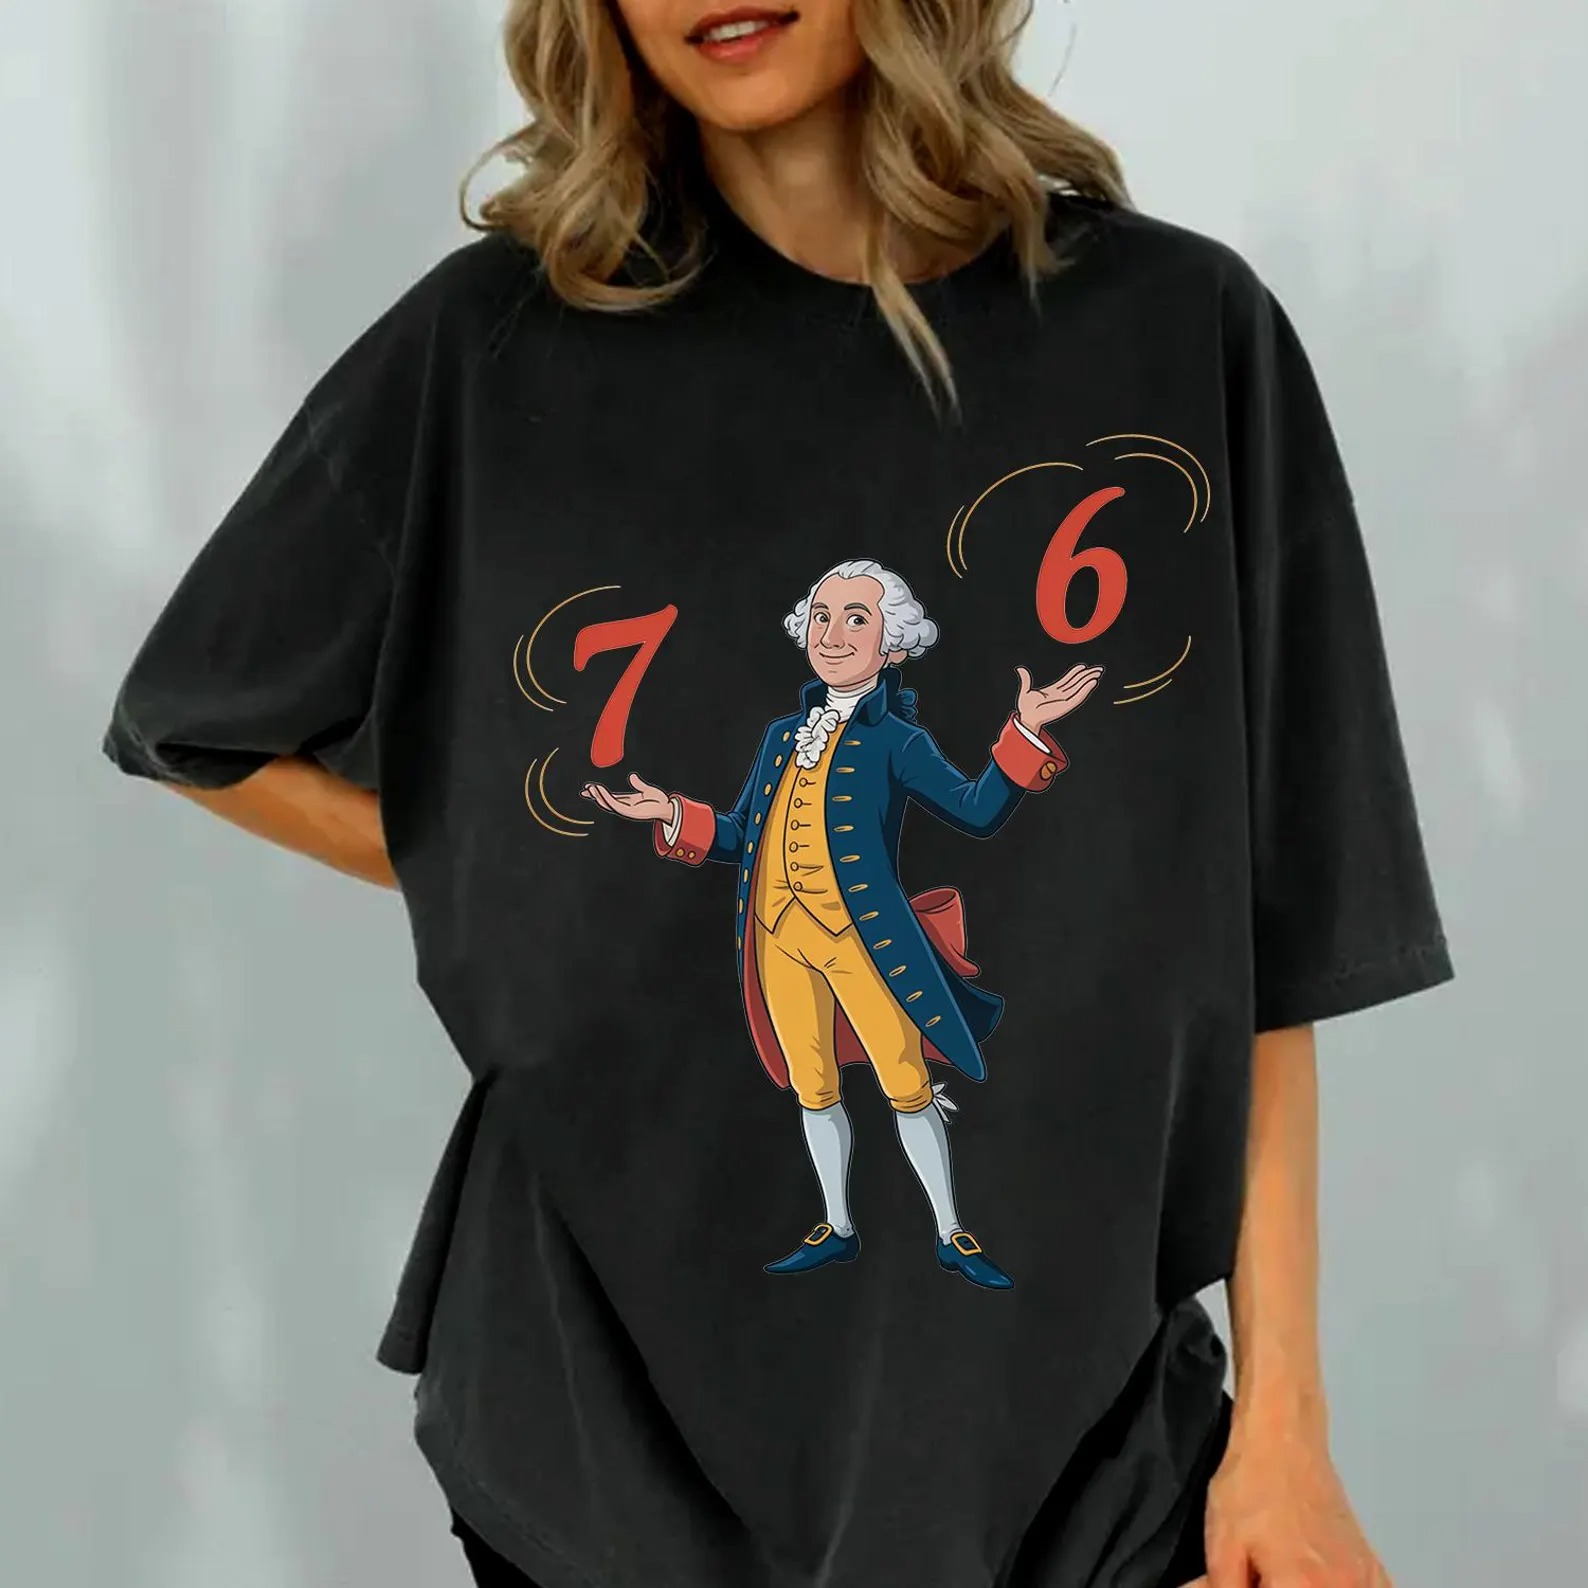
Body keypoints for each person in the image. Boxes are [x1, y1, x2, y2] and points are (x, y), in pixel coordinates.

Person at [100, 2, 1453, 1585]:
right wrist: (534, 862)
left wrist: (1285, 1433)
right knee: (829, 1088)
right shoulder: (495, 347)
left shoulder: (1179, 336)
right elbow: (195, 718)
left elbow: (1272, 940)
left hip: (1081, 1453)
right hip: (606, 1435)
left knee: (903, 1078)